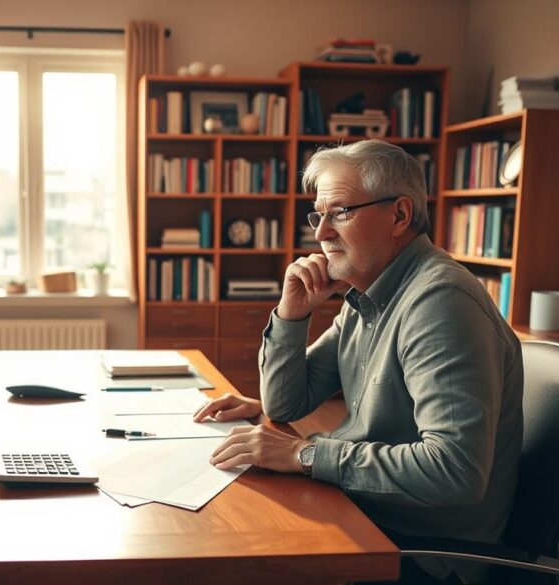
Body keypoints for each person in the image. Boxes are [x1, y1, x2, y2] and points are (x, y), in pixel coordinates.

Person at [194, 140, 523, 584]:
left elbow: (455, 472)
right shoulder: (368, 293)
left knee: (227, 558)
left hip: (420, 552)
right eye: (319, 215)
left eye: (341, 212)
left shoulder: (439, 302)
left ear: (399, 216)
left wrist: (304, 453)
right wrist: (293, 315)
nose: (322, 233)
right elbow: (287, 405)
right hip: (367, 512)